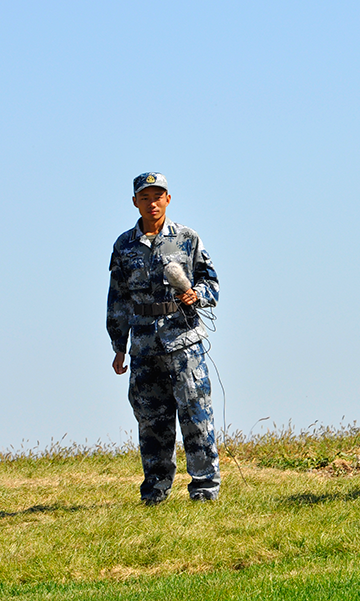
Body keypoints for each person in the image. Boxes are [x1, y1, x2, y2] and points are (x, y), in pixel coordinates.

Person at [107, 172, 221, 504]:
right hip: (144, 346)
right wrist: (118, 345)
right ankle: (155, 492)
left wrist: (196, 294)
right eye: (145, 197)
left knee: (196, 416)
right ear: (135, 202)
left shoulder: (187, 238)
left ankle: (204, 490)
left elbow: (210, 280)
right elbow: (118, 298)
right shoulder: (124, 245)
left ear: (168, 200)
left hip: (184, 342)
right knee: (152, 422)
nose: (152, 203)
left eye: (158, 196)